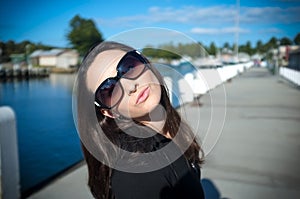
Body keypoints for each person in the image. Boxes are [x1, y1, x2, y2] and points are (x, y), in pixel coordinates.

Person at [75, 41, 205, 199]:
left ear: (145, 62)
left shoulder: (169, 130)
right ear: (110, 113)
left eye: (129, 67)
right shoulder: (138, 171)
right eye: (110, 90)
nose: (131, 87)